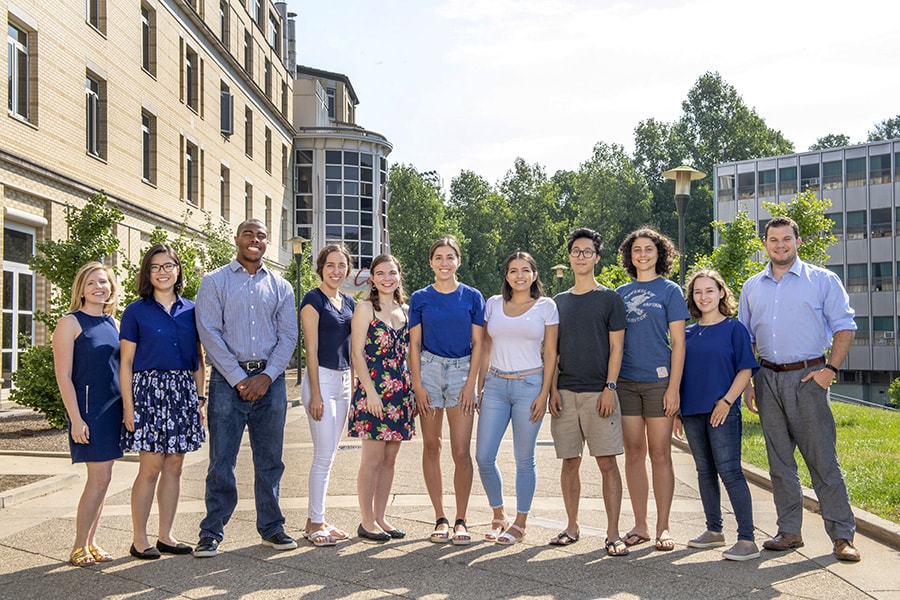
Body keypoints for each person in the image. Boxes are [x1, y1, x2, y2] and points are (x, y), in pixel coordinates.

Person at [739, 216, 861, 562]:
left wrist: (829, 370)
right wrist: (750, 381)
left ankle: (842, 536)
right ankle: (789, 530)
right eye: (773, 240)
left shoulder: (822, 280)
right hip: (767, 378)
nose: (780, 245)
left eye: (786, 239)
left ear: (798, 241)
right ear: (765, 243)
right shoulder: (752, 286)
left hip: (809, 377)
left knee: (823, 460)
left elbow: (845, 327)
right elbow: (746, 338)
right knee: (779, 462)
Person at [194, 219, 299, 557]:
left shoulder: (282, 286)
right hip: (228, 382)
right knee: (221, 460)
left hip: (272, 381)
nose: (255, 240)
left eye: (261, 235)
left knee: (270, 460)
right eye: (249, 234)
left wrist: (267, 376)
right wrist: (240, 378)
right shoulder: (214, 281)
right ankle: (212, 532)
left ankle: (272, 527)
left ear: (267, 243)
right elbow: (209, 332)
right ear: (237, 239)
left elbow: (288, 337)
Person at [120, 244, 206, 560]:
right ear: (148, 273)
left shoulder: (192, 310)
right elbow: (126, 363)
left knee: (175, 465)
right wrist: (129, 408)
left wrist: (200, 400)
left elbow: (199, 359)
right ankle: (139, 539)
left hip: (183, 390)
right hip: (148, 392)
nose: (163, 271)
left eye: (168, 265)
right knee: (151, 465)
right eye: (155, 267)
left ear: (178, 269)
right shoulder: (135, 311)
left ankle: (166, 536)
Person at [549, 228, 629, 556]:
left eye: (588, 251)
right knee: (570, 463)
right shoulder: (558, 303)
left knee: (608, 464)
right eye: (576, 251)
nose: (581, 256)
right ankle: (572, 526)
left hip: (600, 395)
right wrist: (551, 389)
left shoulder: (610, 299)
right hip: (565, 395)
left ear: (597, 257)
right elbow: (551, 352)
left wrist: (610, 388)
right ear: (569, 258)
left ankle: (613, 533)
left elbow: (617, 348)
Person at [674, 269, 760, 561]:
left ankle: (747, 539)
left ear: (721, 292)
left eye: (709, 290)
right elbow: (680, 373)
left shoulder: (734, 329)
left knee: (730, 471)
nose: (704, 297)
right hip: (691, 411)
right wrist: (677, 412)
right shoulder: (686, 333)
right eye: (698, 292)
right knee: (704, 471)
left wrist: (726, 401)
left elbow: (745, 368)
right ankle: (714, 531)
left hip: (722, 410)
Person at [475, 252, 558, 545]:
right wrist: (479, 385)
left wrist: (545, 393)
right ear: (507, 275)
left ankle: (520, 523)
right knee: (483, 456)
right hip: (496, 385)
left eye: (525, 270)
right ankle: (499, 515)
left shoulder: (546, 307)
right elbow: (485, 346)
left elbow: (550, 353)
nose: (519, 276)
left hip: (530, 386)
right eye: (513, 270)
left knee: (524, 459)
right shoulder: (493, 304)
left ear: (534, 275)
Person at [616, 227, 689, 552]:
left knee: (660, 454)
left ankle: (663, 527)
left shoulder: (670, 291)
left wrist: (674, 388)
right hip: (627, 383)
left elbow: (679, 344)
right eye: (637, 250)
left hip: (660, 383)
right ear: (630, 257)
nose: (643, 254)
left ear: (660, 253)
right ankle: (641, 525)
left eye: (649, 249)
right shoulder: (619, 293)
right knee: (634, 453)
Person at [408, 236, 485, 544]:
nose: (444, 262)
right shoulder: (420, 297)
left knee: (461, 451)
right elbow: (414, 344)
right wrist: (417, 385)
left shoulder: (472, 296)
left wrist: (471, 385)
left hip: (461, 371)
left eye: (449, 257)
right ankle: (440, 517)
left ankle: (461, 520)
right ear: (431, 262)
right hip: (427, 370)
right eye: (438, 257)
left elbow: (479, 343)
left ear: (458, 261)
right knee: (431, 446)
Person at [52, 262, 123, 567]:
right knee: (99, 477)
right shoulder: (70, 323)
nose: (99, 288)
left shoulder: (115, 323)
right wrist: (76, 419)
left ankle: (92, 542)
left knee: (104, 480)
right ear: (81, 288)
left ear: (111, 287)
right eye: (92, 283)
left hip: (114, 408)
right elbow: (63, 376)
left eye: (104, 282)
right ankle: (78, 545)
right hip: (89, 411)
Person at [348, 254, 415, 543]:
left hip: (400, 391)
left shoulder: (407, 310)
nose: (387, 278)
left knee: (390, 459)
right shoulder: (365, 308)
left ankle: (381, 517)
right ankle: (366, 521)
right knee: (372, 458)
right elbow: (356, 353)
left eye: (392, 272)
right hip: (374, 390)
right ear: (372, 278)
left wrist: (412, 390)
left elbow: (410, 354)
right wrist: (371, 393)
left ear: (399, 275)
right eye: (381, 273)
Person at [299, 244, 356, 546]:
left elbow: (355, 348)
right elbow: (310, 349)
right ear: (321, 267)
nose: (336, 271)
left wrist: (356, 384)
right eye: (330, 265)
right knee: (322, 455)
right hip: (320, 378)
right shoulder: (313, 300)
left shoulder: (348, 302)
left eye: (341, 265)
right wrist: (315, 394)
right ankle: (315, 524)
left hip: (344, 380)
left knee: (330, 455)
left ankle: (316, 517)